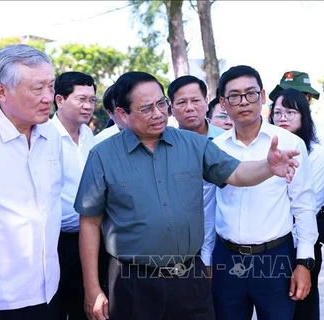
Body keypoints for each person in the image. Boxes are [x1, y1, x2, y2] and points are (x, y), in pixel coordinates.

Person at [73, 71, 303, 320]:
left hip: (189, 279)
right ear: (122, 114)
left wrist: (268, 167)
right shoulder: (103, 155)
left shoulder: (193, 144)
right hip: (132, 282)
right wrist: (92, 287)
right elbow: (90, 222)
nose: (159, 113)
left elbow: (237, 174)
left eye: (161, 103)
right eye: (147, 108)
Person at [202, 65, 318, 320]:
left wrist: (304, 262)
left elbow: (303, 206)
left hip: (275, 258)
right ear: (223, 102)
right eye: (234, 96)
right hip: (227, 259)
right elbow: (208, 209)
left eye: (251, 93)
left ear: (263, 96)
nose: (244, 102)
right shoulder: (215, 149)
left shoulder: (289, 143)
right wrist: (207, 260)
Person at [0, 44, 62, 319]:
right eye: (37, 88)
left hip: (48, 292)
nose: (48, 97)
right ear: (1, 92)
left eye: (50, 86)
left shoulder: (51, 135)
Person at [269, 88, 324, 320]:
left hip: (302, 242)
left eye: (290, 112)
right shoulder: (266, 151)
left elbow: (308, 206)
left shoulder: (315, 153)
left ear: (304, 116)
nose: (283, 118)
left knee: (303, 308)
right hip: (273, 244)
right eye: (278, 112)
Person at [51, 71, 97, 320]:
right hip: (57, 242)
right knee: (58, 308)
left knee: (86, 306)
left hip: (91, 238)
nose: (88, 105)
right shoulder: (43, 136)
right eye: (81, 99)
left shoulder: (89, 136)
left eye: (92, 99)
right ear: (60, 99)